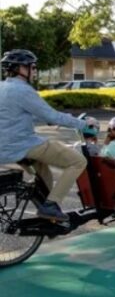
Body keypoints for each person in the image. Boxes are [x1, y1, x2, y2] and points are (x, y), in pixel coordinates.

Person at [0, 49, 98, 222]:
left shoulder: (3, 87)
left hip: (5, 147)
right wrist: (83, 124)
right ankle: (51, 205)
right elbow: (51, 115)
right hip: (22, 144)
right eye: (32, 66)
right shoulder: (22, 90)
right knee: (77, 161)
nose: (35, 70)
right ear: (19, 69)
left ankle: (46, 213)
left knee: (45, 172)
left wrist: (52, 119)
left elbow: (28, 113)